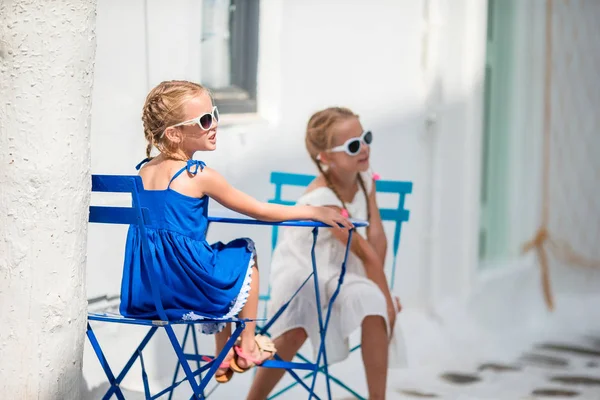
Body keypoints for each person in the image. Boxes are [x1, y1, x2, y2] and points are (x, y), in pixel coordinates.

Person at [119, 81, 353, 383]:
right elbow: (260, 210)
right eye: (204, 121)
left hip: (148, 292)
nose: (214, 124)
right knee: (244, 252)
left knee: (219, 258)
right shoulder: (197, 174)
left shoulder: (144, 171)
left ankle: (223, 355)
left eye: (214, 114)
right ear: (174, 133)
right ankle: (247, 344)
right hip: (187, 289)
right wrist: (313, 210)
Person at [248, 107, 404, 400]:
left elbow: (377, 238)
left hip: (342, 272)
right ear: (326, 158)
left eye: (365, 137)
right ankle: (253, 398)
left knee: (373, 303)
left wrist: (379, 291)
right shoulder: (323, 200)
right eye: (353, 145)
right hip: (305, 271)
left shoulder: (364, 177)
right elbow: (364, 253)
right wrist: (386, 297)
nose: (365, 148)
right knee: (294, 331)